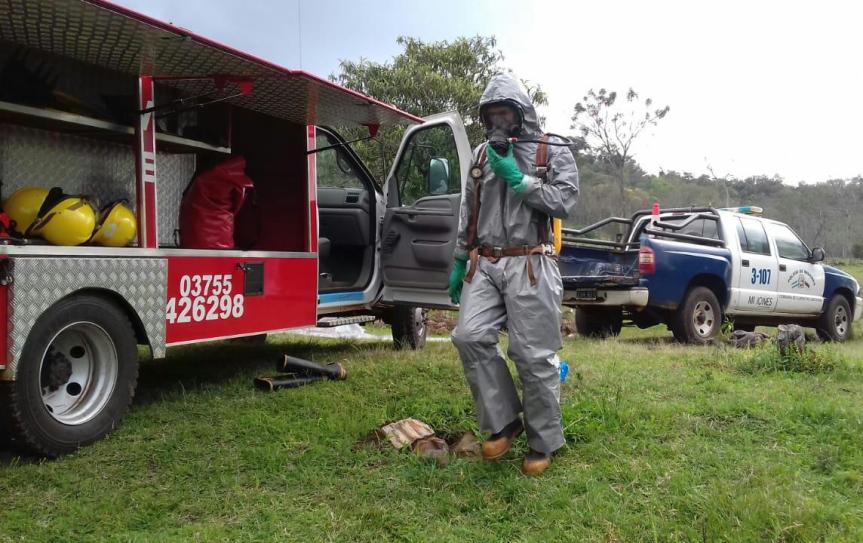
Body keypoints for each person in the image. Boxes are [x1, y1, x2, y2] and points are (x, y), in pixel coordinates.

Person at [449, 74, 579, 476]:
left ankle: (543, 442)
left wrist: (520, 181)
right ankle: (505, 421)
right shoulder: (483, 154)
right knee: (468, 335)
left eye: (506, 112)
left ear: (522, 113)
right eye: (492, 114)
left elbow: (566, 201)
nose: (499, 121)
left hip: (531, 262)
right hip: (485, 261)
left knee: (532, 355)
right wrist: (458, 259)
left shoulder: (549, 150)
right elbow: (468, 208)